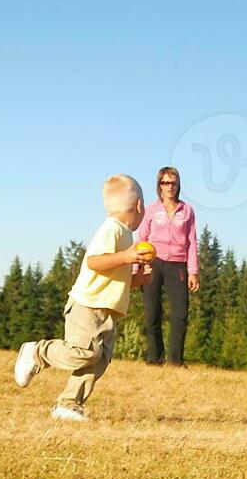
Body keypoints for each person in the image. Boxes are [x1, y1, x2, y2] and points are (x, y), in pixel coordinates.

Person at [12, 174, 151, 420]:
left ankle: (68, 404)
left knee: (99, 360)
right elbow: (94, 261)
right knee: (83, 352)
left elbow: (115, 278)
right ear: (139, 205)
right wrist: (127, 258)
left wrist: (140, 280)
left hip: (106, 309)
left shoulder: (127, 235)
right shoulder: (112, 228)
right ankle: (37, 352)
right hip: (87, 304)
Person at [135, 166, 200, 366]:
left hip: (178, 265)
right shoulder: (151, 210)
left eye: (172, 182)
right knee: (152, 312)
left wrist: (193, 272)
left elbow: (192, 241)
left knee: (180, 313)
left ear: (178, 185)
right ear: (159, 186)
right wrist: (136, 268)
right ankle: (154, 359)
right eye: (165, 182)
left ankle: (176, 361)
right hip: (153, 263)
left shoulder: (187, 210)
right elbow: (141, 238)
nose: (169, 186)